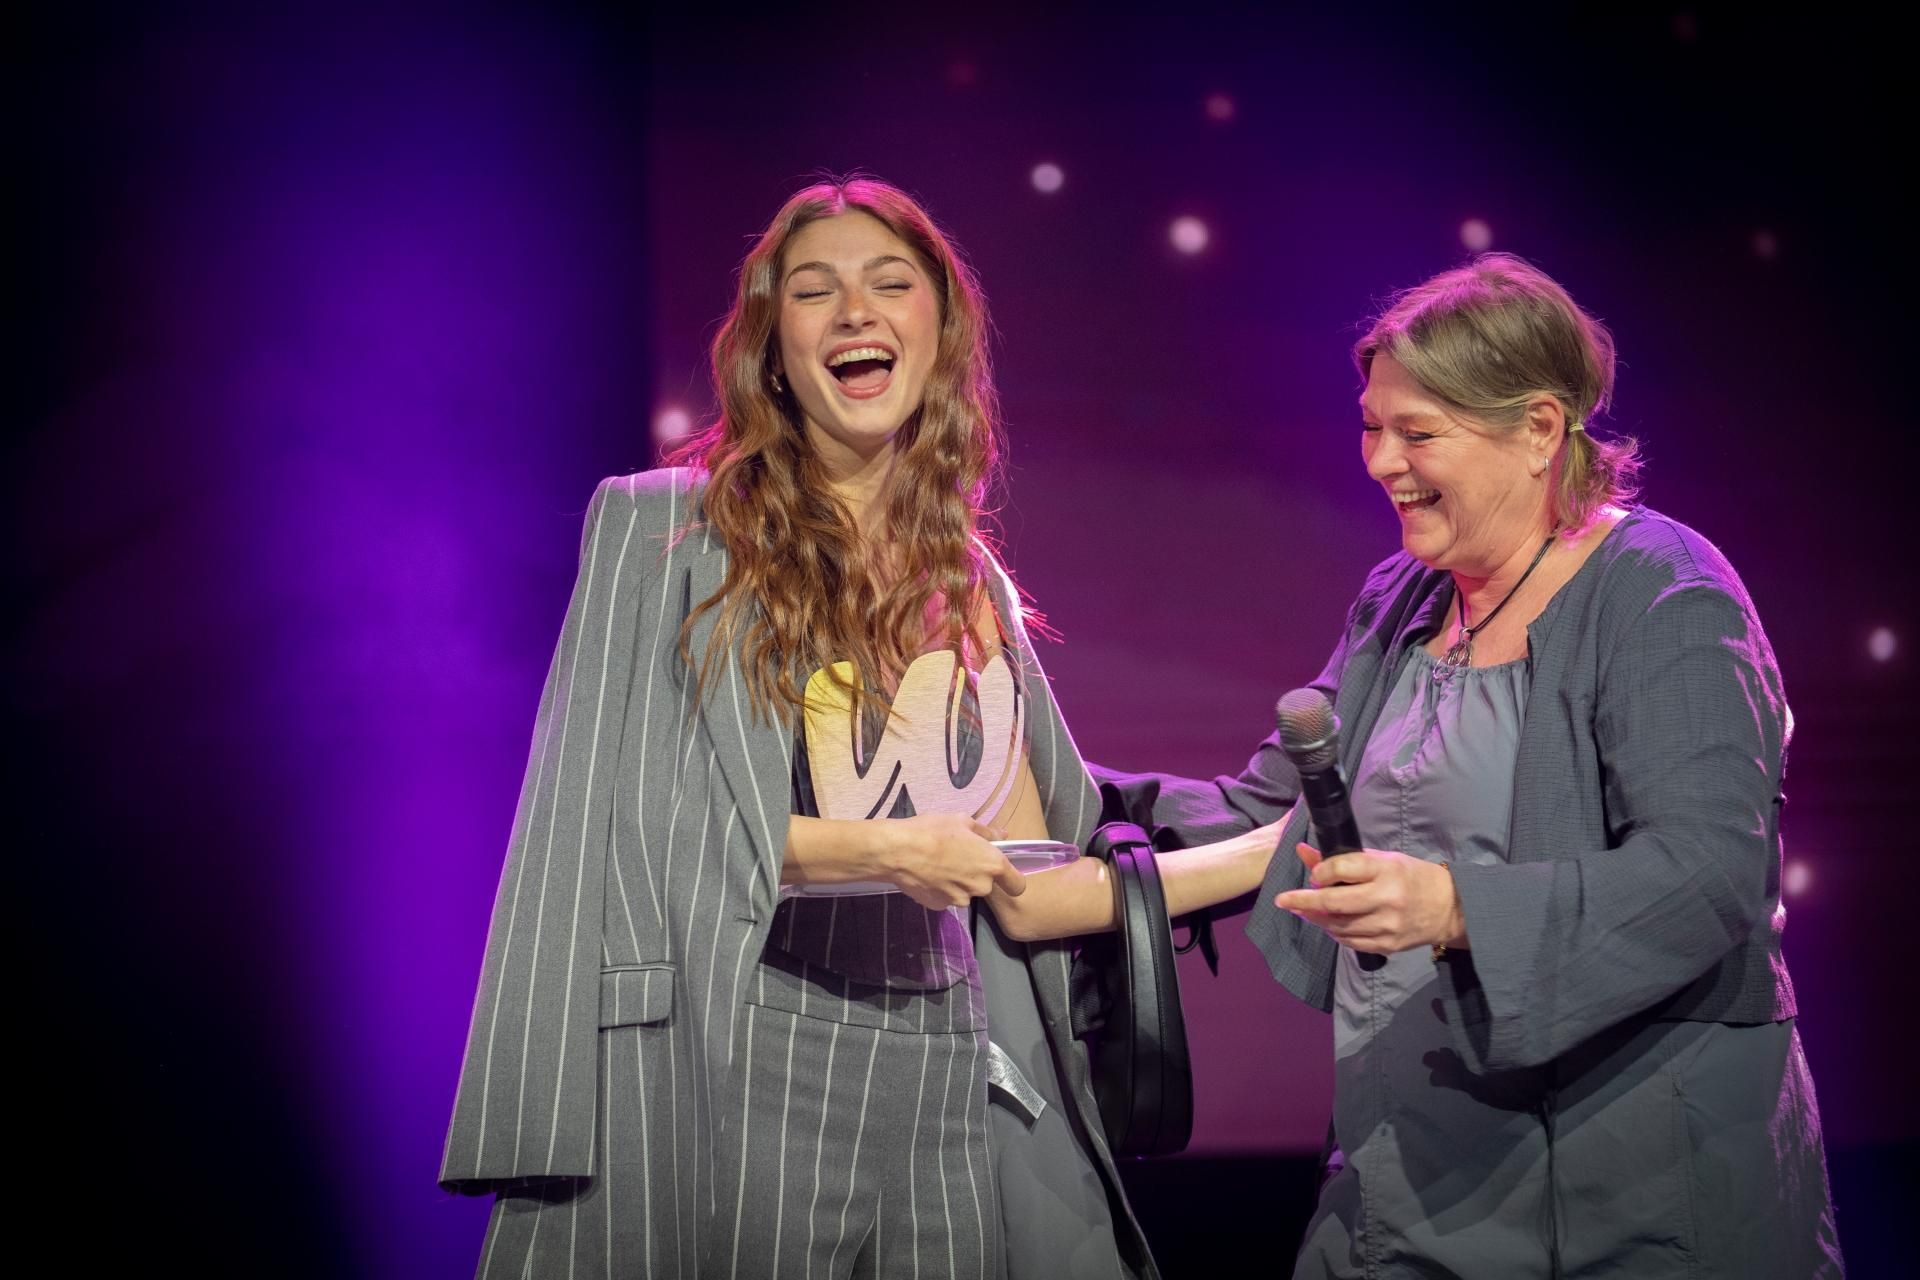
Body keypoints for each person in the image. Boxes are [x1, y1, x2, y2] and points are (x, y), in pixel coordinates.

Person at [437, 175, 1277, 1279]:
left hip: (944, 1064)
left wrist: (1280, 852)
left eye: (890, 284)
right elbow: (629, 827)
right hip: (756, 1050)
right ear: (772, 347)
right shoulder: (665, 533)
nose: (854, 313)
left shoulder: (966, 583)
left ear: (941, 329)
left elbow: (1033, 889)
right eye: (813, 292)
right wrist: (885, 850)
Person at [991, 255, 1844, 1277]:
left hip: (1632, 1169)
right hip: (1418, 1155)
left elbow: (1707, 876)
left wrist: (1453, 908)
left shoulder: (1666, 592)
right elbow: (1265, 814)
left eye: (1419, 432)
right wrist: (1015, 762)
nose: (1382, 460)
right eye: (1371, 426)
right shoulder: (1403, 598)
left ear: (1540, 429)